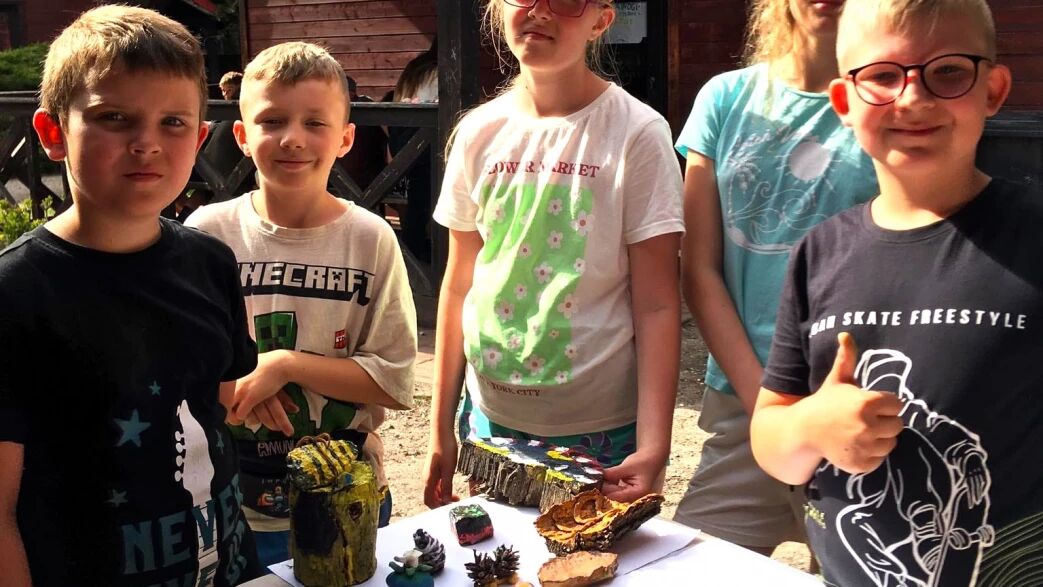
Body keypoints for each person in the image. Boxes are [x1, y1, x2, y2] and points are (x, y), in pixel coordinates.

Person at [750, 0, 1041, 584]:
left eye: (949, 71)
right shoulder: (819, 253)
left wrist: (965, 469)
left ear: (993, 90)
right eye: (883, 75)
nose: (912, 98)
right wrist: (812, 425)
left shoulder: (1033, 236)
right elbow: (771, 435)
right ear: (843, 102)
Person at [0, 6, 263, 586]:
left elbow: (215, 408)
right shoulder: (15, 294)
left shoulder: (211, 263)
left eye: (173, 122)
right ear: (52, 133)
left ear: (200, 138)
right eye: (114, 117)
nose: (147, 143)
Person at [423, 0, 684, 508]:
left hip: (600, 429)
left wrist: (655, 446)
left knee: (588, 554)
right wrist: (440, 429)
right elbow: (458, 285)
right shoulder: (478, 132)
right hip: (489, 420)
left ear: (601, 20)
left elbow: (657, 304)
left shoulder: (637, 133)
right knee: (499, 553)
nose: (540, 12)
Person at [186, 41, 417, 568]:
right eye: (272, 121)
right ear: (241, 136)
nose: (293, 138)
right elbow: (176, 368)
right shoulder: (206, 234)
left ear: (345, 139)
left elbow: (394, 380)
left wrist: (283, 366)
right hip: (231, 500)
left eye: (315, 122)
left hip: (347, 494)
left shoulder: (370, 239)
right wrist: (236, 384)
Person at [671, 0, 878, 560]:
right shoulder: (724, 98)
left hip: (858, 406)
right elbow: (699, 268)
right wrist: (767, 404)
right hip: (744, 404)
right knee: (687, 568)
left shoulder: (889, 107)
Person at [389, 40, 438, 263]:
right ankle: (418, 248)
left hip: (402, 138)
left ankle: (414, 247)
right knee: (426, 191)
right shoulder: (438, 71)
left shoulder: (414, 68)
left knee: (421, 193)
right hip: (423, 137)